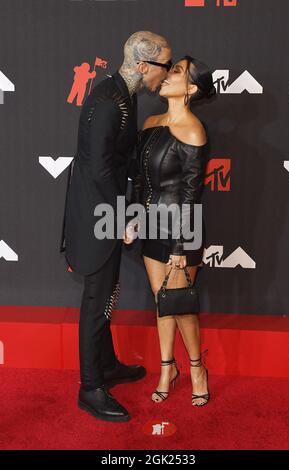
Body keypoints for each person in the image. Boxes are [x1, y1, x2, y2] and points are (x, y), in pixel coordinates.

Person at [60, 31, 173, 422]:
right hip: (97, 216)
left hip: (104, 208)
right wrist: (122, 217)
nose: (167, 73)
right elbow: (97, 170)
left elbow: (113, 162)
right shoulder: (110, 102)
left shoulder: (124, 94)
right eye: (165, 65)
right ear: (144, 66)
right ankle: (90, 387)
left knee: (107, 292)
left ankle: (106, 366)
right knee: (96, 300)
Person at [125, 56, 216, 407]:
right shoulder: (150, 121)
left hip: (182, 229)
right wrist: (131, 219)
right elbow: (140, 182)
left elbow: (192, 194)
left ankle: (197, 369)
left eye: (175, 71)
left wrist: (181, 244)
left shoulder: (194, 129)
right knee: (162, 303)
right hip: (150, 225)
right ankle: (167, 368)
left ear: (190, 88)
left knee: (180, 306)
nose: (166, 76)